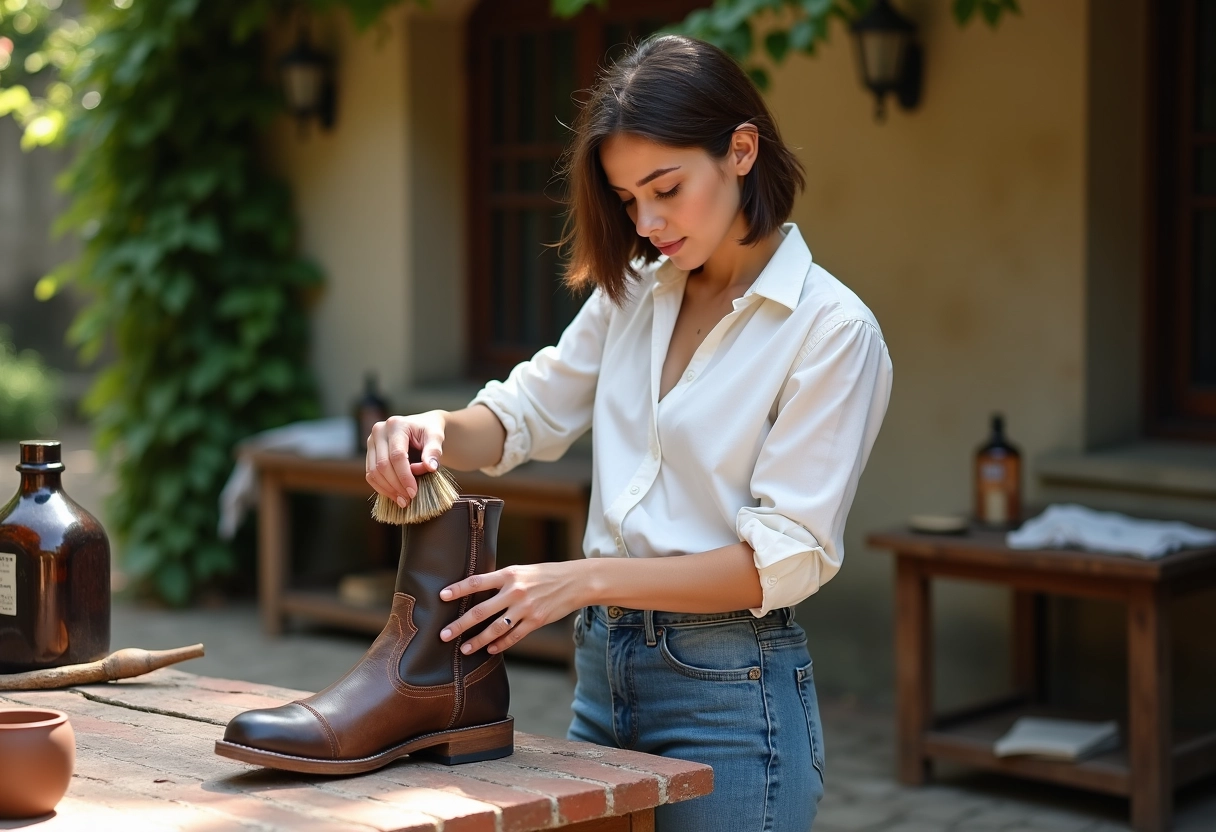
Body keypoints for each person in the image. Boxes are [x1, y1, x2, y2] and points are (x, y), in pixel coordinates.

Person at [365, 34, 893, 832]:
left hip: (731, 701)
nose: (646, 223)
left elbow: (782, 561)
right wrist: (426, 427)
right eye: (626, 199)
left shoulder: (831, 331)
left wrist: (583, 579)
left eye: (666, 188)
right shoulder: (638, 293)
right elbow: (520, 417)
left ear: (741, 150)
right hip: (602, 676)